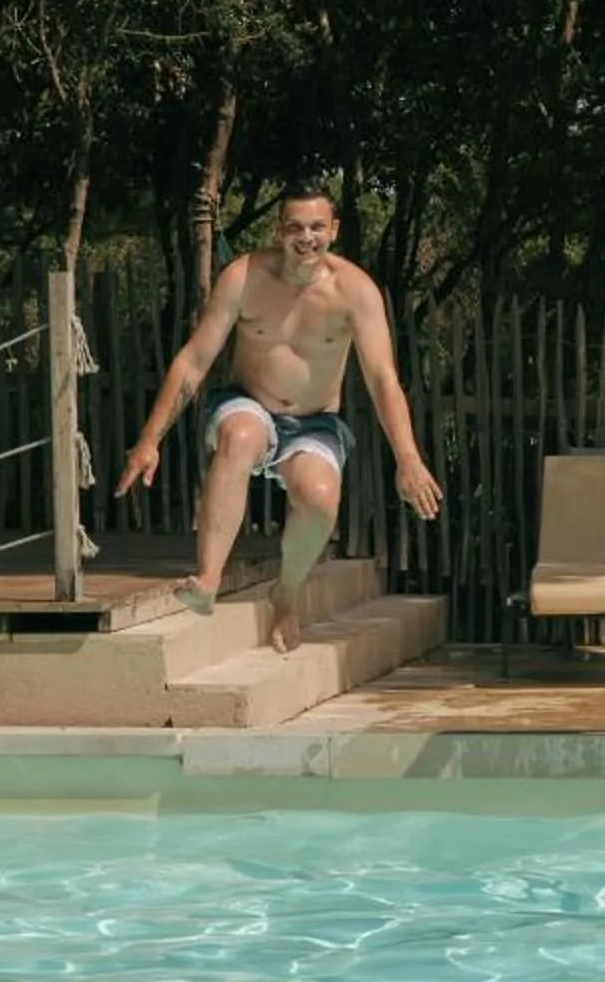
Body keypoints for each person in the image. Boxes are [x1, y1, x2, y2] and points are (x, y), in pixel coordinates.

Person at [115, 185, 443, 651]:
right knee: (242, 435)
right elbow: (193, 361)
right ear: (279, 230)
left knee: (320, 498)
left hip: (314, 423)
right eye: (294, 227)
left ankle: (286, 593)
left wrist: (407, 459)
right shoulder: (244, 276)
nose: (305, 238)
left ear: (334, 230)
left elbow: (383, 380)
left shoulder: (355, 291)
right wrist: (151, 439)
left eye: (316, 227)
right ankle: (207, 580)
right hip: (248, 402)